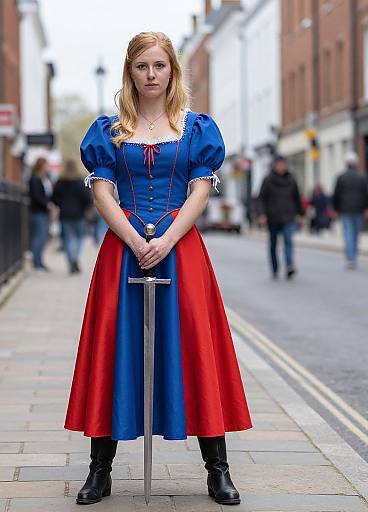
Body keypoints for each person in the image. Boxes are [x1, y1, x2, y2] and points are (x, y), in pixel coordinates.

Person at [64, 32, 252, 506]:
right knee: (114, 350)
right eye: (142, 66)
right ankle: (99, 471)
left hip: (181, 251)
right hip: (122, 252)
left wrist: (167, 239)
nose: (151, 75)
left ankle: (218, 470)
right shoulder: (108, 130)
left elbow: (200, 191)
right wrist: (133, 237)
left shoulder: (196, 129)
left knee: (195, 350)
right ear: (130, 71)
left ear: (173, 71)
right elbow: (102, 192)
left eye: (160, 66)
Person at [257, 155, 304, 279]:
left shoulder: (291, 180)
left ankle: (289, 266)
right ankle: (275, 268)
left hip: (288, 216)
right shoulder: (268, 180)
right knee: (273, 244)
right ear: (274, 165)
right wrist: (262, 214)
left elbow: (297, 198)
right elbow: (261, 199)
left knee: (288, 241)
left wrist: (300, 214)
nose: (281, 166)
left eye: (283, 164)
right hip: (272, 217)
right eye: (278, 164)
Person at [332, 152, 368, 269]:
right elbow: (366, 194)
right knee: (355, 234)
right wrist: (367, 208)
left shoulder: (341, 177)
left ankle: (350, 258)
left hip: (345, 209)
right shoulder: (362, 177)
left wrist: (335, 208)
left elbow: (336, 195)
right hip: (358, 209)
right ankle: (353, 257)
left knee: (348, 233)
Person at [52, 159, 92, 273]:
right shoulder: (80, 181)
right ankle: (75, 258)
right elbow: (87, 198)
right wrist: (85, 208)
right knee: (80, 238)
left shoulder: (60, 181)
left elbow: (54, 198)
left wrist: (60, 204)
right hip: (79, 214)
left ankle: (71, 260)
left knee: (67, 239)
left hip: (65, 214)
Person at [28, 157, 54, 271]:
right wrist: (47, 204)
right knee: (39, 237)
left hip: (44, 212)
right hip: (38, 212)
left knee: (43, 237)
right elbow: (36, 196)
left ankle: (39, 261)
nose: (48, 167)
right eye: (46, 165)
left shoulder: (45, 178)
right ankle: (36, 262)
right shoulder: (34, 179)